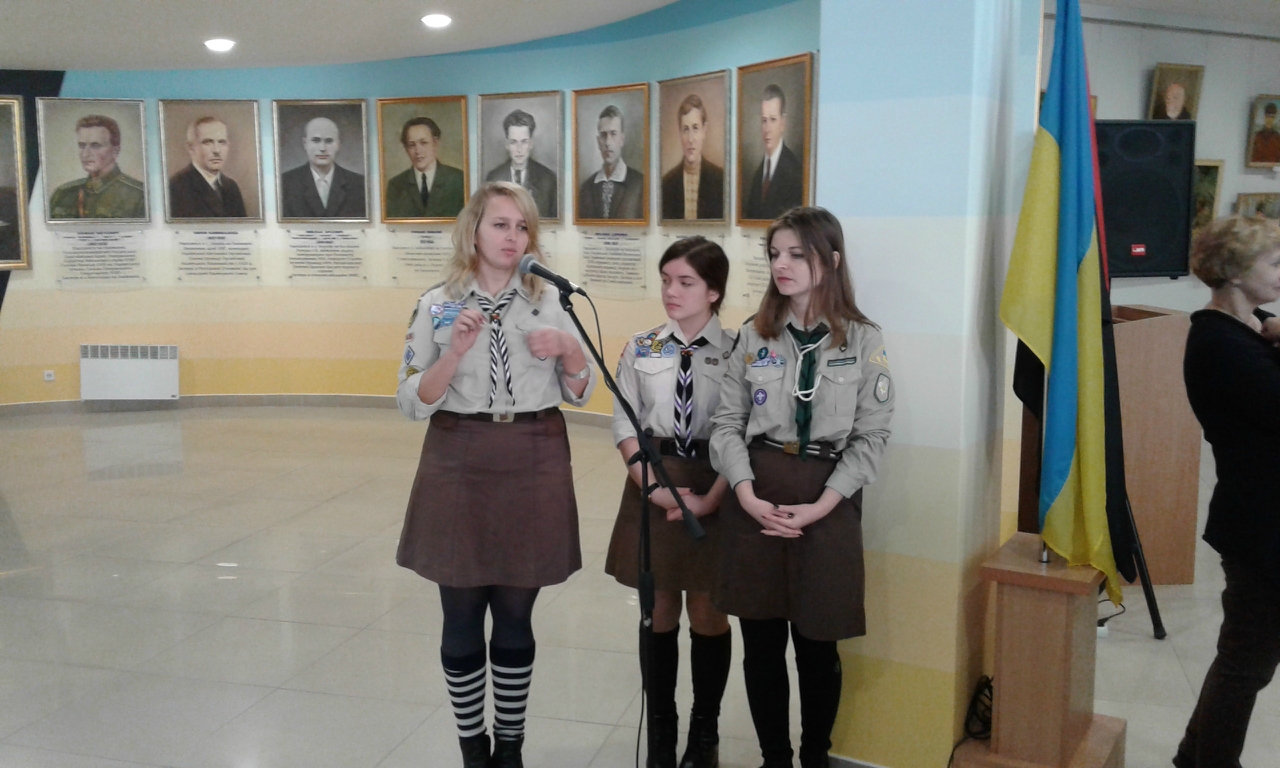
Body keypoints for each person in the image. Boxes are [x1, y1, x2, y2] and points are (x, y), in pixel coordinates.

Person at [395, 181, 596, 768]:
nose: (513, 237)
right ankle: (472, 748)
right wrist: (454, 354)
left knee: (515, 615)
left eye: (522, 226)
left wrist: (572, 353)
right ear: (474, 232)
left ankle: (510, 747)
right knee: (460, 614)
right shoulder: (437, 303)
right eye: (500, 225)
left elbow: (579, 393)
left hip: (534, 450)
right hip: (459, 453)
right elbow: (411, 401)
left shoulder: (552, 300)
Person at [710, 207, 893, 768]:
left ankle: (815, 755)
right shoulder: (753, 334)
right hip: (757, 493)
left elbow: (872, 436)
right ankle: (775, 758)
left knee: (818, 646)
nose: (781, 265)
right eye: (774, 254)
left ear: (830, 261)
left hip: (828, 498)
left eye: (797, 254)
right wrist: (745, 493)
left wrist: (822, 506)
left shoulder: (863, 339)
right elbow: (726, 423)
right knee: (761, 646)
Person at [605, 236, 734, 768]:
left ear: (714, 291)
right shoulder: (642, 347)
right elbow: (624, 423)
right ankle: (662, 728)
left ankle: (705, 731)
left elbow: (743, 432)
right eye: (665, 281)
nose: (671, 292)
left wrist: (712, 497)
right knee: (657, 609)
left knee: (707, 610)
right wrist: (652, 487)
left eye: (685, 282)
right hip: (652, 479)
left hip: (715, 481)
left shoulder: (739, 351)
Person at [1174, 215, 1280, 768]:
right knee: (1245, 663)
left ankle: (1192, 758)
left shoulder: (1249, 328)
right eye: (1274, 262)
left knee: (1246, 658)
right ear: (1235, 272)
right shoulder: (1221, 342)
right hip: (1260, 525)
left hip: (1262, 516)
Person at [48, 114, 146, 220]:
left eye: (95, 146)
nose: (85, 154)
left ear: (115, 151)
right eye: (82, 146)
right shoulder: (62, 194)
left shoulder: (139, 195)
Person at [279, 116, 367, 219]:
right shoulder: (285, 183)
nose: (322, 148)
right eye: (316, 141)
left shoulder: (359, 184)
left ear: (338, 145)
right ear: (305, 143)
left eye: (329, 141)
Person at [742, 85, 803, 221]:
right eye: (764, 121)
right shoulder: (757, 175)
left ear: (783, 123)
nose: (767, 129)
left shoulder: (794, 171)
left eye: (773, 120)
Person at [167, 116, 248, 219]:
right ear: (190, 147)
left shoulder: (231, 187)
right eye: (207, 142)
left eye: (222, 142)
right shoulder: (176, 187)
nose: (217, 150)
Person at [385, 116, 466, 218]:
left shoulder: (458, 180)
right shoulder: (396, 185)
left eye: (424, 143)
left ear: (435, 143)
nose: (418, 151)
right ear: (406, 148)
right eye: (412, 145)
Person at [661, 94, 724, 220]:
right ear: (680, 132)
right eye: (685, 129)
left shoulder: (720, 180)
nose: (690, 139)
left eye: (695, 128)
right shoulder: (667, 183)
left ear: (704, 130)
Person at [485, 109, 557, 218]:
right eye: (513, 142)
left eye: (524, 142)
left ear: (531, 143)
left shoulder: (548, 179)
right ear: (507, 145)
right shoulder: (493, 178)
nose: (519, 149)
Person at [578, 105, 644, 220]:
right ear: (598, 141)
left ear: (622, 139)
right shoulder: (586, 188)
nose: (608, 142)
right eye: (603, 135)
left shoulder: (640, 184)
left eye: (613, 134)